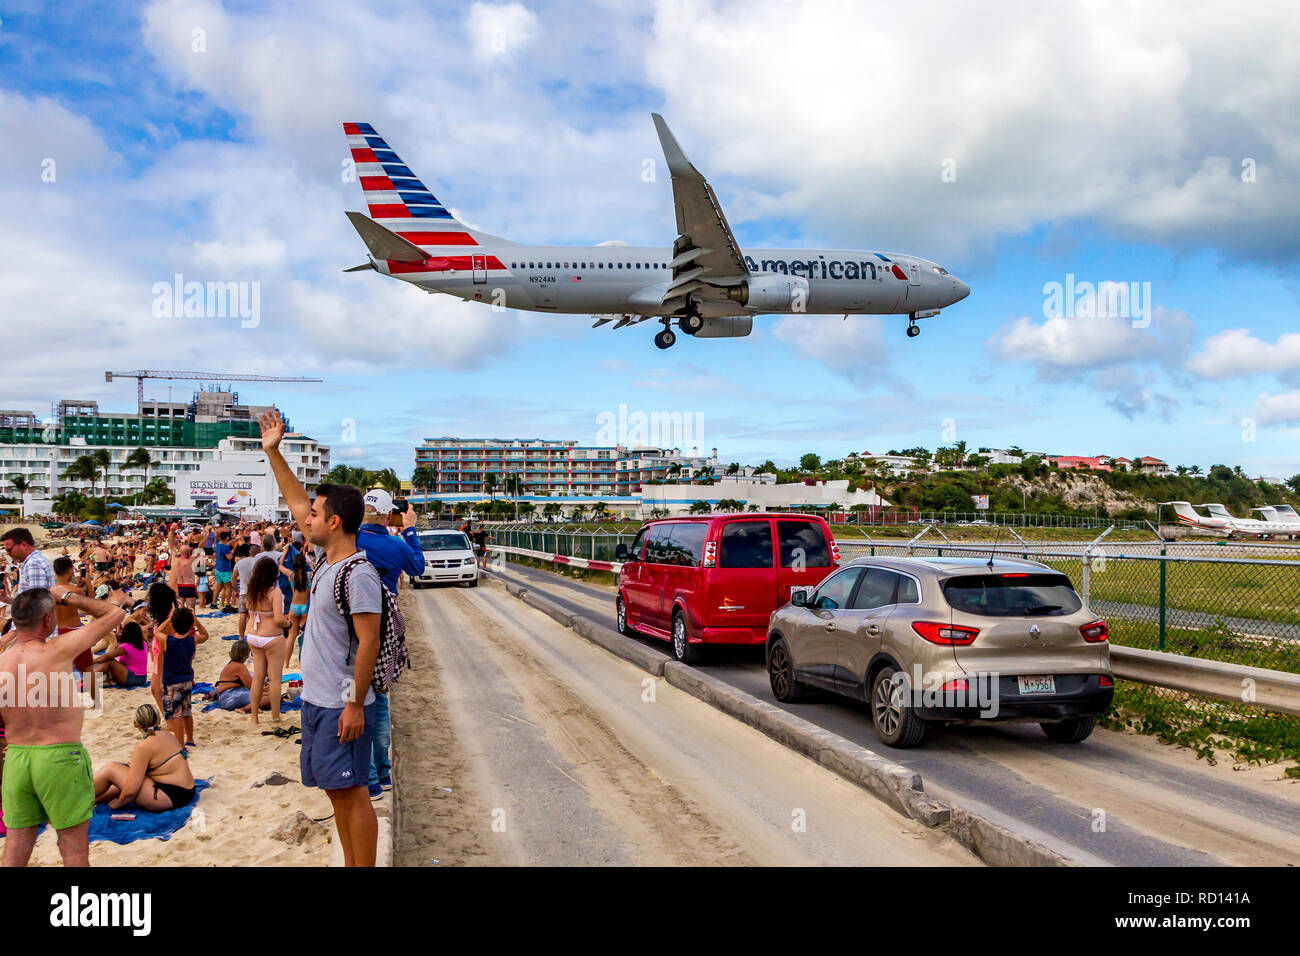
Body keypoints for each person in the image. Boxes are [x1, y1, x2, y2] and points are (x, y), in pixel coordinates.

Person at [259, 408, 380, 867]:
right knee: (335, 794)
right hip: (317, 699)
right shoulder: (325, 560)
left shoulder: (358, 573)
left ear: (334, 523)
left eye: (315, 513)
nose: (304, 517)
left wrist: (353, 703)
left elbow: (368, 643)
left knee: (353, 796)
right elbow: (295, 500)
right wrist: (274, 452)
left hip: (340, 705)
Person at [0, 585, 125, 866]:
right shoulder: (59, 649)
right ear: (47, 620)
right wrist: (66, 596)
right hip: (59, 756)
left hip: (17, 759)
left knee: (15, 850)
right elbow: (114, 612)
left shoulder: (2, 662)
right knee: (74, 851)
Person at [357, 488, 424, 796]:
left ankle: (370, 779)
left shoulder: (351, 540)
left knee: (359, 699)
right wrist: (410, 529)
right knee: (380, 697)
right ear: (387, 515)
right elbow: (418, 568)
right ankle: (383, 773)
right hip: (386, 624)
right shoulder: (395, 545)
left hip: (356, 622)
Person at [92, 704, 195, 811]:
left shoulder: (144, 747)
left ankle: (78, 798)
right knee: (123, 778)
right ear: (158, 721)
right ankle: (92, 800)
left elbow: (130, 792)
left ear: (135, 724)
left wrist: (118, 804)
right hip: (187, 791)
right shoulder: (168, 735)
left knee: (111, 769)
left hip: (168, 796)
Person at [244, 556, 290, 725]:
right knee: (275, 678)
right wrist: (289, 624)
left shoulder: (252, 590)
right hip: (271, 637)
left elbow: (250, 613)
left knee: (258, 677)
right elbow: (278, 619)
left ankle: (254, 716)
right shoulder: (274, 592)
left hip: (254, 635)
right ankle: (275, 716)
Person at [154, 606, 209, 747]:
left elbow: (157, 632)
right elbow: (205, 635)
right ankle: (190, 739)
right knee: (187, 712)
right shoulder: (192, 640)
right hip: (187, 680)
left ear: (173, 624)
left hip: (172, 682)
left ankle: (180, 745)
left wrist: (169, 619)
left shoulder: (169, 640)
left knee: (175, 714)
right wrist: (196, 621)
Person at [0, 528, 56, 607]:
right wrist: (7, 599)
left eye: (9, 550)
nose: (7, 553)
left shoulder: (33, 564)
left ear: (23, 545)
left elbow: (37, 604)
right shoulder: (30, 562)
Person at [93, 620, 149, 688]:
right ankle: (93, 679)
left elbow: (106, 656)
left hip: (133, 677)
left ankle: (88, 679)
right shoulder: (143, 644)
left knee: (110, 661)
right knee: (109, 660)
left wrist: (92, 661)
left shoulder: (127, 646)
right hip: (142, 678)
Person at [282, 548, 312, 667]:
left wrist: (284, 553)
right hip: (305, 607)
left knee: (291, 636)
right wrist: (309, 561)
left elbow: (279, 566)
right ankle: (302, 663)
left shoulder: (291, 575)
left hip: (294, 607)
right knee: (305, 637)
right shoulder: (309, 575)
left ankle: (286, 663)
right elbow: (316, 569)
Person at [212, 640, 256, 711]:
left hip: (224, 698)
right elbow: (251, 687)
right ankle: (244, 709)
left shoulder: (230, 664)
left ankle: (251, 707)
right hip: (230, 698)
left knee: (265, 695)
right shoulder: (240, 667)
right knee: (269, 697)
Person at [213, 530, 234, 612]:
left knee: (218, 587)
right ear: (227, 538)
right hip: (225, 569)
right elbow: (229, 557)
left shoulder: (218, 544)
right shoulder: (225, 547)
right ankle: (228, 604)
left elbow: (226, 544)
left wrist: (235, 540)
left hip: (217, 568)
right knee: (228, 587)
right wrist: (231, 553)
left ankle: (214, 603)